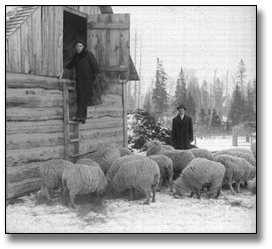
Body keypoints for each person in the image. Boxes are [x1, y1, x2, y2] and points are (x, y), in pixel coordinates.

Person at [66, 39, 100, 124]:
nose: (78, 48)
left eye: (80, 46)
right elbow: (70, 65)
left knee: (83, 98)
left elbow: (96, 67)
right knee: (80, 97)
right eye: (77, 46)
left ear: (83, 47)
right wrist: (64, 68)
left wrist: (97, 79)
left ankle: (79, 115)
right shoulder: (76, 56)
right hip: (79, 80)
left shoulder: (88, 55)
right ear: (75, 47)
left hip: (88, 80)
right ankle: (82, 118)